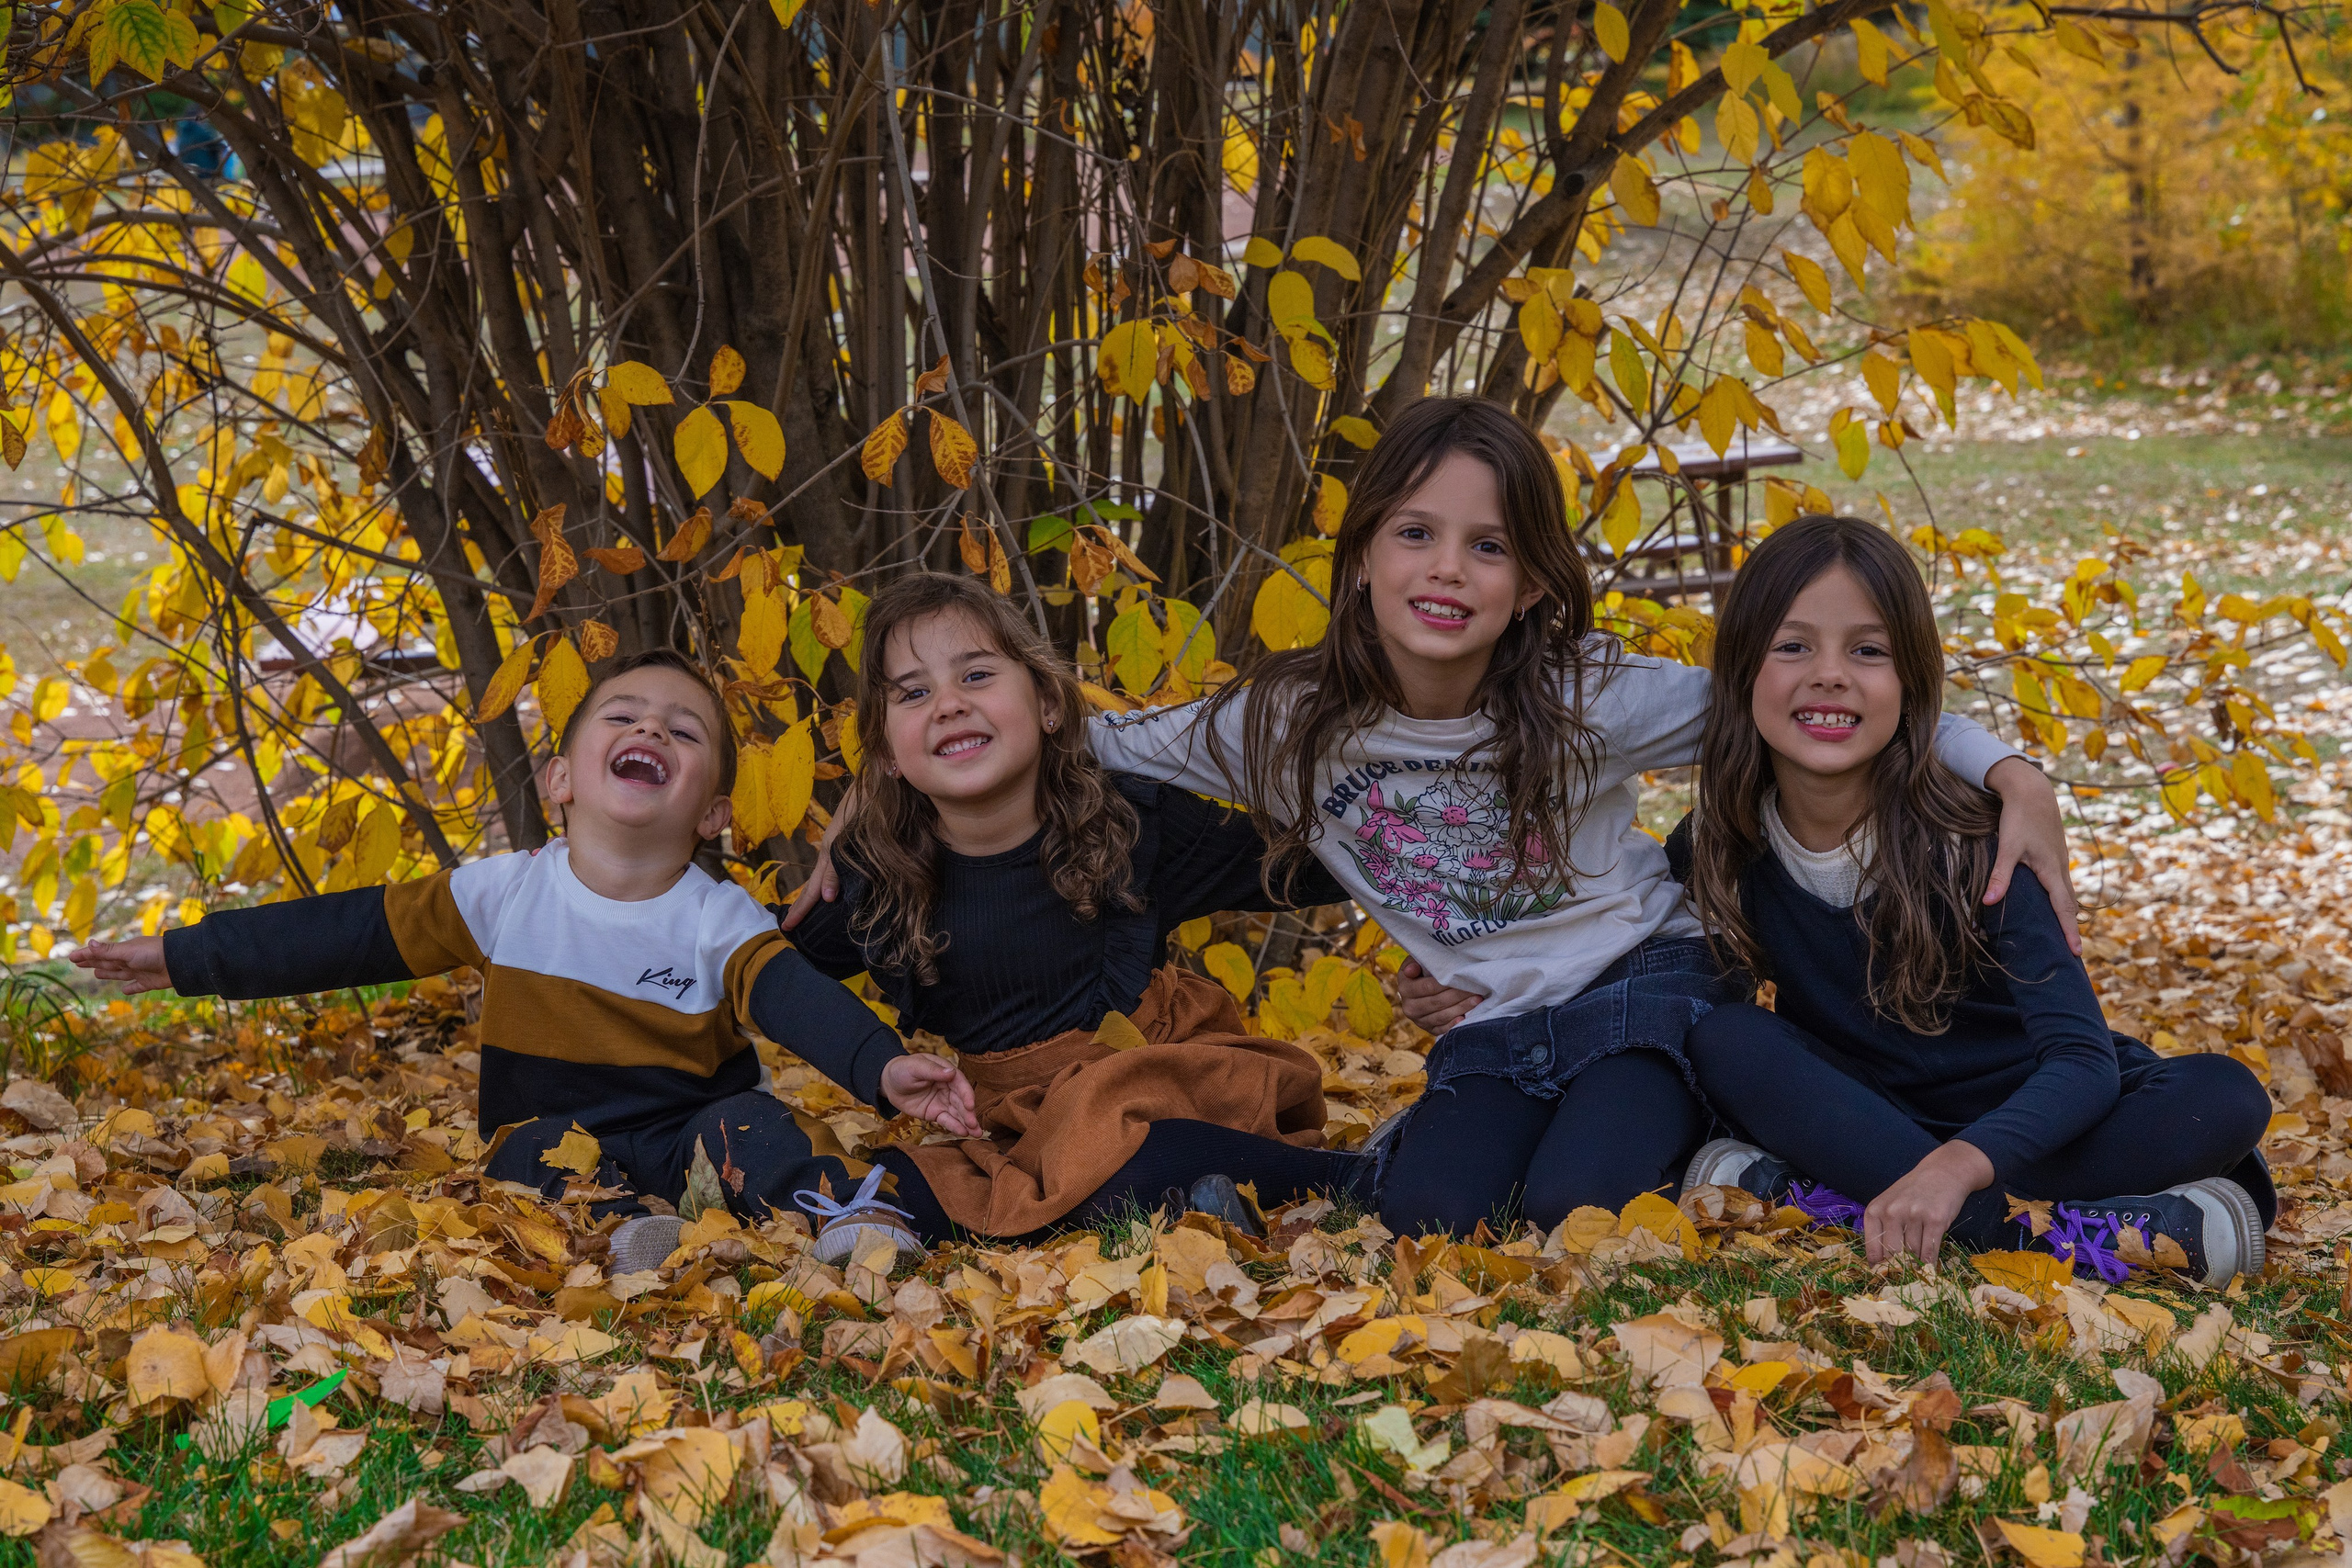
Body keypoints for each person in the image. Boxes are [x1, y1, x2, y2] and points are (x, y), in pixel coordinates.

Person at [797, 399, 2073, 1239]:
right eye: (1416, 534)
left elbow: (1809, 693)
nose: (1447, 571)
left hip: (1646, 989)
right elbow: (1068, 724)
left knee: (1580, 1206)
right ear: (1363, 557)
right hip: (1493, 1029)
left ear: (1529, 586)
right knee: (1434, 1215)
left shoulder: (1591, 699)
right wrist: (880, 777)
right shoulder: (1286, 724)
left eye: (1487, 547)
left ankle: (1734, 1146)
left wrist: (2013, 769)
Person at [71, 650, 978, 1270]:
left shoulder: (716, 917)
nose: (653, 731)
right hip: (548, 1130)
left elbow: (796, 1001)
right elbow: (343, 934)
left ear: (713, 815)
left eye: (684, 731)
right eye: (625, 717)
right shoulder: (505, 894)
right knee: (532, 1153)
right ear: (560, 779)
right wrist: (187, 959)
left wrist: (884, 1066)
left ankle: (848, 1218)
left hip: (690, 1132)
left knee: (755, 1121)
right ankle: (627, 1238)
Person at [1670, 515, 2271, 1286]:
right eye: (1793, 646)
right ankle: (2088, 1236)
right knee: (1725, 1039)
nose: (1829, 674)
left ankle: (1845, 1200)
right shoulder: (1719, 844)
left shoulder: (1980, 840)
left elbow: (2082, 1064)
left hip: (2029, 1124)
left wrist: (1959, 1164)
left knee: (2224, 1096)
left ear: (1912, 683)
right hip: (1868, 1119)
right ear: (1743, 669)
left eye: (1868, 650)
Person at [782, 571, 1367, 1243]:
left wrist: (1435, 842)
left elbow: (1297, 865)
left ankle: (1343, 1179)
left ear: (1048, 705)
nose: (946, 704)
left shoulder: (1128, 823)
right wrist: (871, 1056)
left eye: (975, 676)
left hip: (1151, 1076)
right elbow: (769, 966)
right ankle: (1185, 1200)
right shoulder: (877, 874)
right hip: (1010, 1120)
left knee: (1120, 1145)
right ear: (885, 753)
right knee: (896, 1177)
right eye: (913, 693)